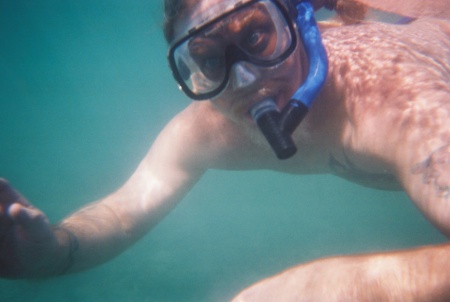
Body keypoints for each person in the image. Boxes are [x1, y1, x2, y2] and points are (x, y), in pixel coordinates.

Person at [1, 0, 450, 300]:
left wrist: (318, 288)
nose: (245, 81)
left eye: (256, 36)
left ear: (296, 20)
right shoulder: (216, 128)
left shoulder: (397, 100)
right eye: (210, 60)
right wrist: (55, 250)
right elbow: (124, 212)